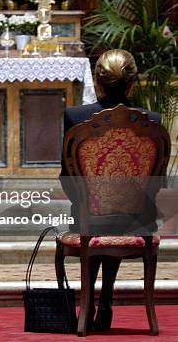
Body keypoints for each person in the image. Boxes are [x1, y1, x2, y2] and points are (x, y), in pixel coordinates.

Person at [60, 49, 161, 331]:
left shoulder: (75, 116)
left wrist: (85, 202)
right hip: (138, 218)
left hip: (87, 214)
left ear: (97, 82)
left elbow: (67, 174)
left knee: (95, 216)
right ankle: (105, 300)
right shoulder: (151, 120)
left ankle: (90, 302)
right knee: (118, 217)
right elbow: (157, 183)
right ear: (131, 84)